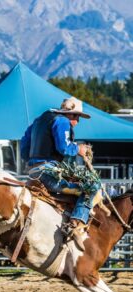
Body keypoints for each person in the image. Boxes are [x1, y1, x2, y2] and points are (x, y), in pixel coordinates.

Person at [20, 97, 101, 251]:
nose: (77, 120)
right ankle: (75, 225)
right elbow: (64, 148)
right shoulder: (62, 121)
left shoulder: (38, 121)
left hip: (33, 172)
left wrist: (34, 161)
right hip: (48, 173)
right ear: (69, 114)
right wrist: (79, 149)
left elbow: (24, 147)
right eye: (76, 116)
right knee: (92, 185)